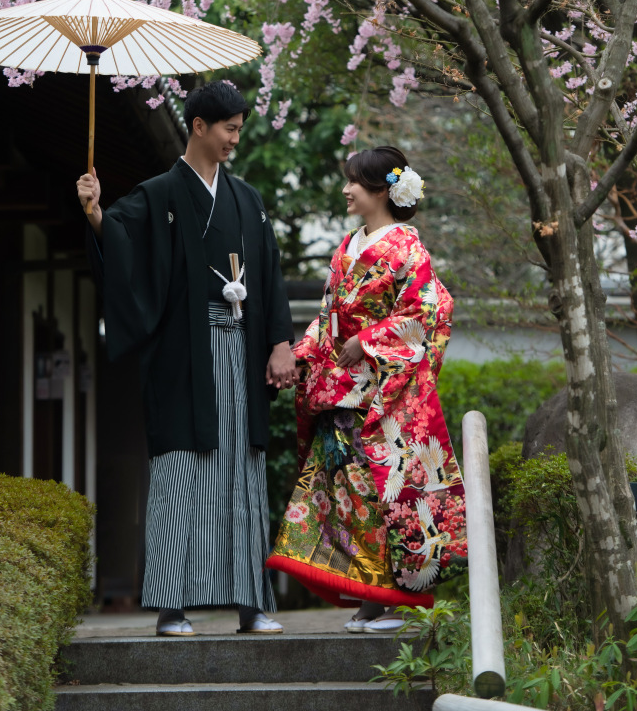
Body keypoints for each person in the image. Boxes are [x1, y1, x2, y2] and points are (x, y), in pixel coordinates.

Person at [77, 80, 297, 637]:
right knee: (180, 471)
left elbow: (268, 275)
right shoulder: (158, 193)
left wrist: (279, 342)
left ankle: (251, 601)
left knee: (242, 474)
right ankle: (173, 605)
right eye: (228, 129)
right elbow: (122, 244)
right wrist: (97, 212)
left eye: (239, 130)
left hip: (242, 352)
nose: (234, 141)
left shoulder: (247, 198)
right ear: (198, 126)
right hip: (184, 355)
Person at [266, 145, 467, 632]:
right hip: (341, 392)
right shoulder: (348, 245)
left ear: (380, 189)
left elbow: (430, 311)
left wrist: (369, 339)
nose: (346, 189)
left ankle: (395, 601)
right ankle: (372, 599)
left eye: (353, 181)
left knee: (385, 497)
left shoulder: (406, 247)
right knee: (349, 497)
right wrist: (302, 352)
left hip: (383, 398)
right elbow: (327, 316)